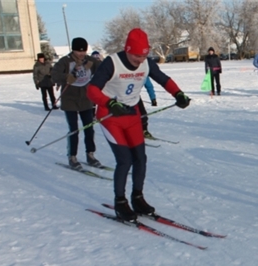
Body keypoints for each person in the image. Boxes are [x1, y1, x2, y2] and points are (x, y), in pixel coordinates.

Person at [87, 28, 191, 222]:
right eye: (136, 55)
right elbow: (91, 90)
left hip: (132, 114)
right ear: (127, 49)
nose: (140, 60)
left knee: (140, 158)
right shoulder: (112, 63)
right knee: (125, 160)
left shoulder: (146, 63)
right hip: (110, 116)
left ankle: (137, 198)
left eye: (143, 55)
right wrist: (109, 103)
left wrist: (178, 94)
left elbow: (163, 79)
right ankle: (120, 202)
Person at [51, 37, 102, 170]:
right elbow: (54, 74)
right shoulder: (65, 61)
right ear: (73, 50)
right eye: (78, 51)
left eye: (83, 51)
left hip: (86, 99)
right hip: (70, 99)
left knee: (89, 128)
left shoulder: (91, 61)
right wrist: (66, 77)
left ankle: (90, 154)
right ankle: (72, 156)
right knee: (74, 130)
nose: (81, 53)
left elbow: (104, 70)